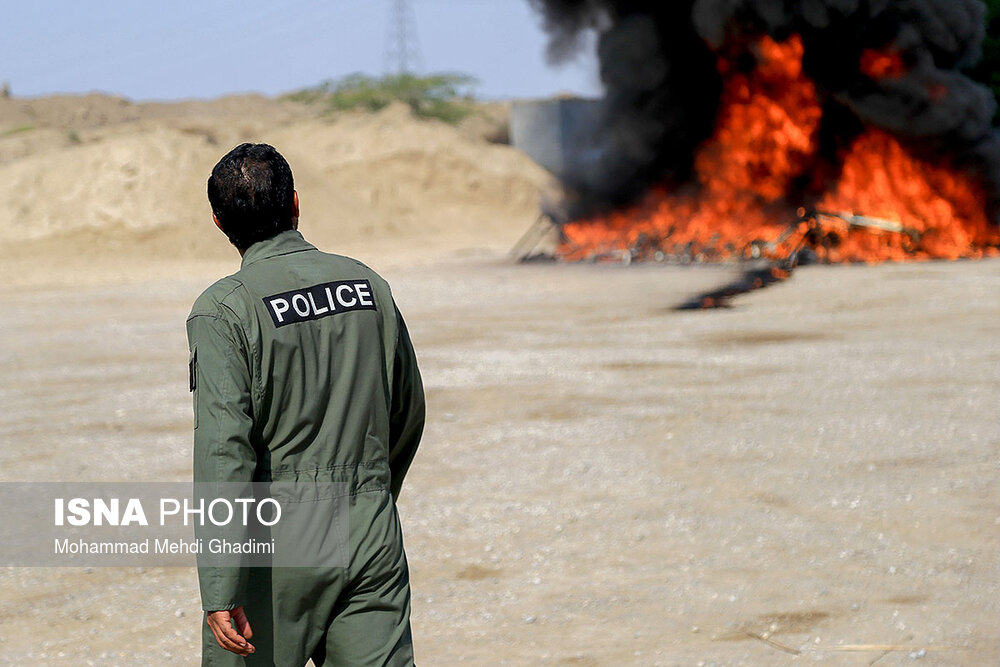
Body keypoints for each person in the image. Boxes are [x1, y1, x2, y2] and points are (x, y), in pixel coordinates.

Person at [186, 143, 424, 666]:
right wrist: (373, 493)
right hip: (370, 529)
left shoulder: (225, 309)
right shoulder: (367, 284)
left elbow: (225, 453)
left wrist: (221, 585)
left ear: (219, 221)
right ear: (296, 204)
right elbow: (407, 407)